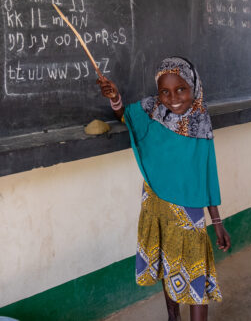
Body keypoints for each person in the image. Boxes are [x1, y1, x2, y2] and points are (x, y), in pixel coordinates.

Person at [98, 57, 230, 321]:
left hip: (189, 210)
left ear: (193, 86)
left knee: (196, 274)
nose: (173, 98)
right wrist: (114, 98)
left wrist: (216, 221)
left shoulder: (200, 120)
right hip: (156, 200)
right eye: (165, 92)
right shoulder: (151, 109)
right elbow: (125, 116)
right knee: (167, 263)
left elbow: (207, 173)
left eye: (181, 89)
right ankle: (173, 317)